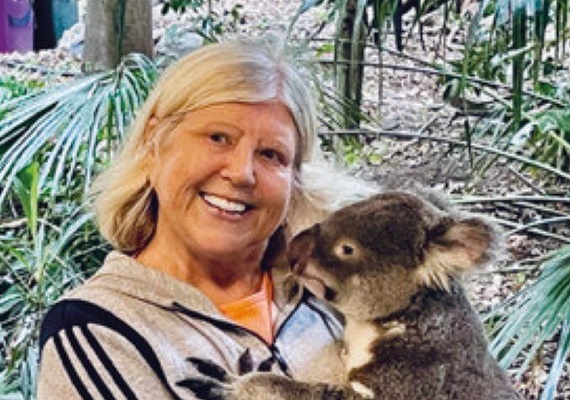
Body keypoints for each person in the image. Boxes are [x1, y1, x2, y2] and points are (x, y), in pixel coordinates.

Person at [36, 34, 378, 399]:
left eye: (270, 154)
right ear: (155, 142)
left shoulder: (332, 295)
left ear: (295, 179)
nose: (242, 172)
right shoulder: (97, 331)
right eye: (218, 137)